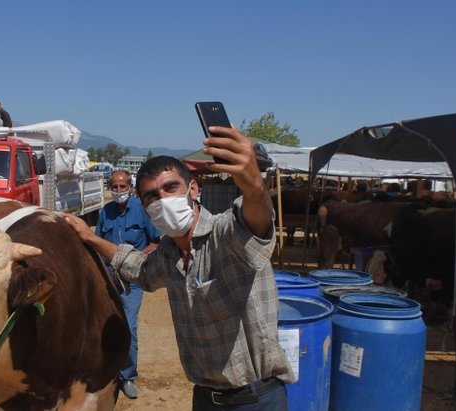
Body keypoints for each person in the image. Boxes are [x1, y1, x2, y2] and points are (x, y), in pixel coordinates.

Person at [65, 125, 293, 410]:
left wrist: (253, 183)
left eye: (171, 188)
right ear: (146, 208)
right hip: (204, 397)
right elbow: (140, 269)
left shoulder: (227, 233)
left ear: (193, 189)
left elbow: (257, 219)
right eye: (152, 196)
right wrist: (90, 238)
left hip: (256, 399)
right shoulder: (168, 255)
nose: (163, 200)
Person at [95, 169, 161, 400]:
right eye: (114, 186)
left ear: (130, 188)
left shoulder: (142, 211)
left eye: (123, 186)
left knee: (129, 328)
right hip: (109, 277)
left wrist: (137, 258)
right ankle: (107, 370)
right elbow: (99, 241)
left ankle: (128, 376)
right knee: (105, 324)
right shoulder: (106, 211)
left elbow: (156, 241)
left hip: (132, 280)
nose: (119, 190)